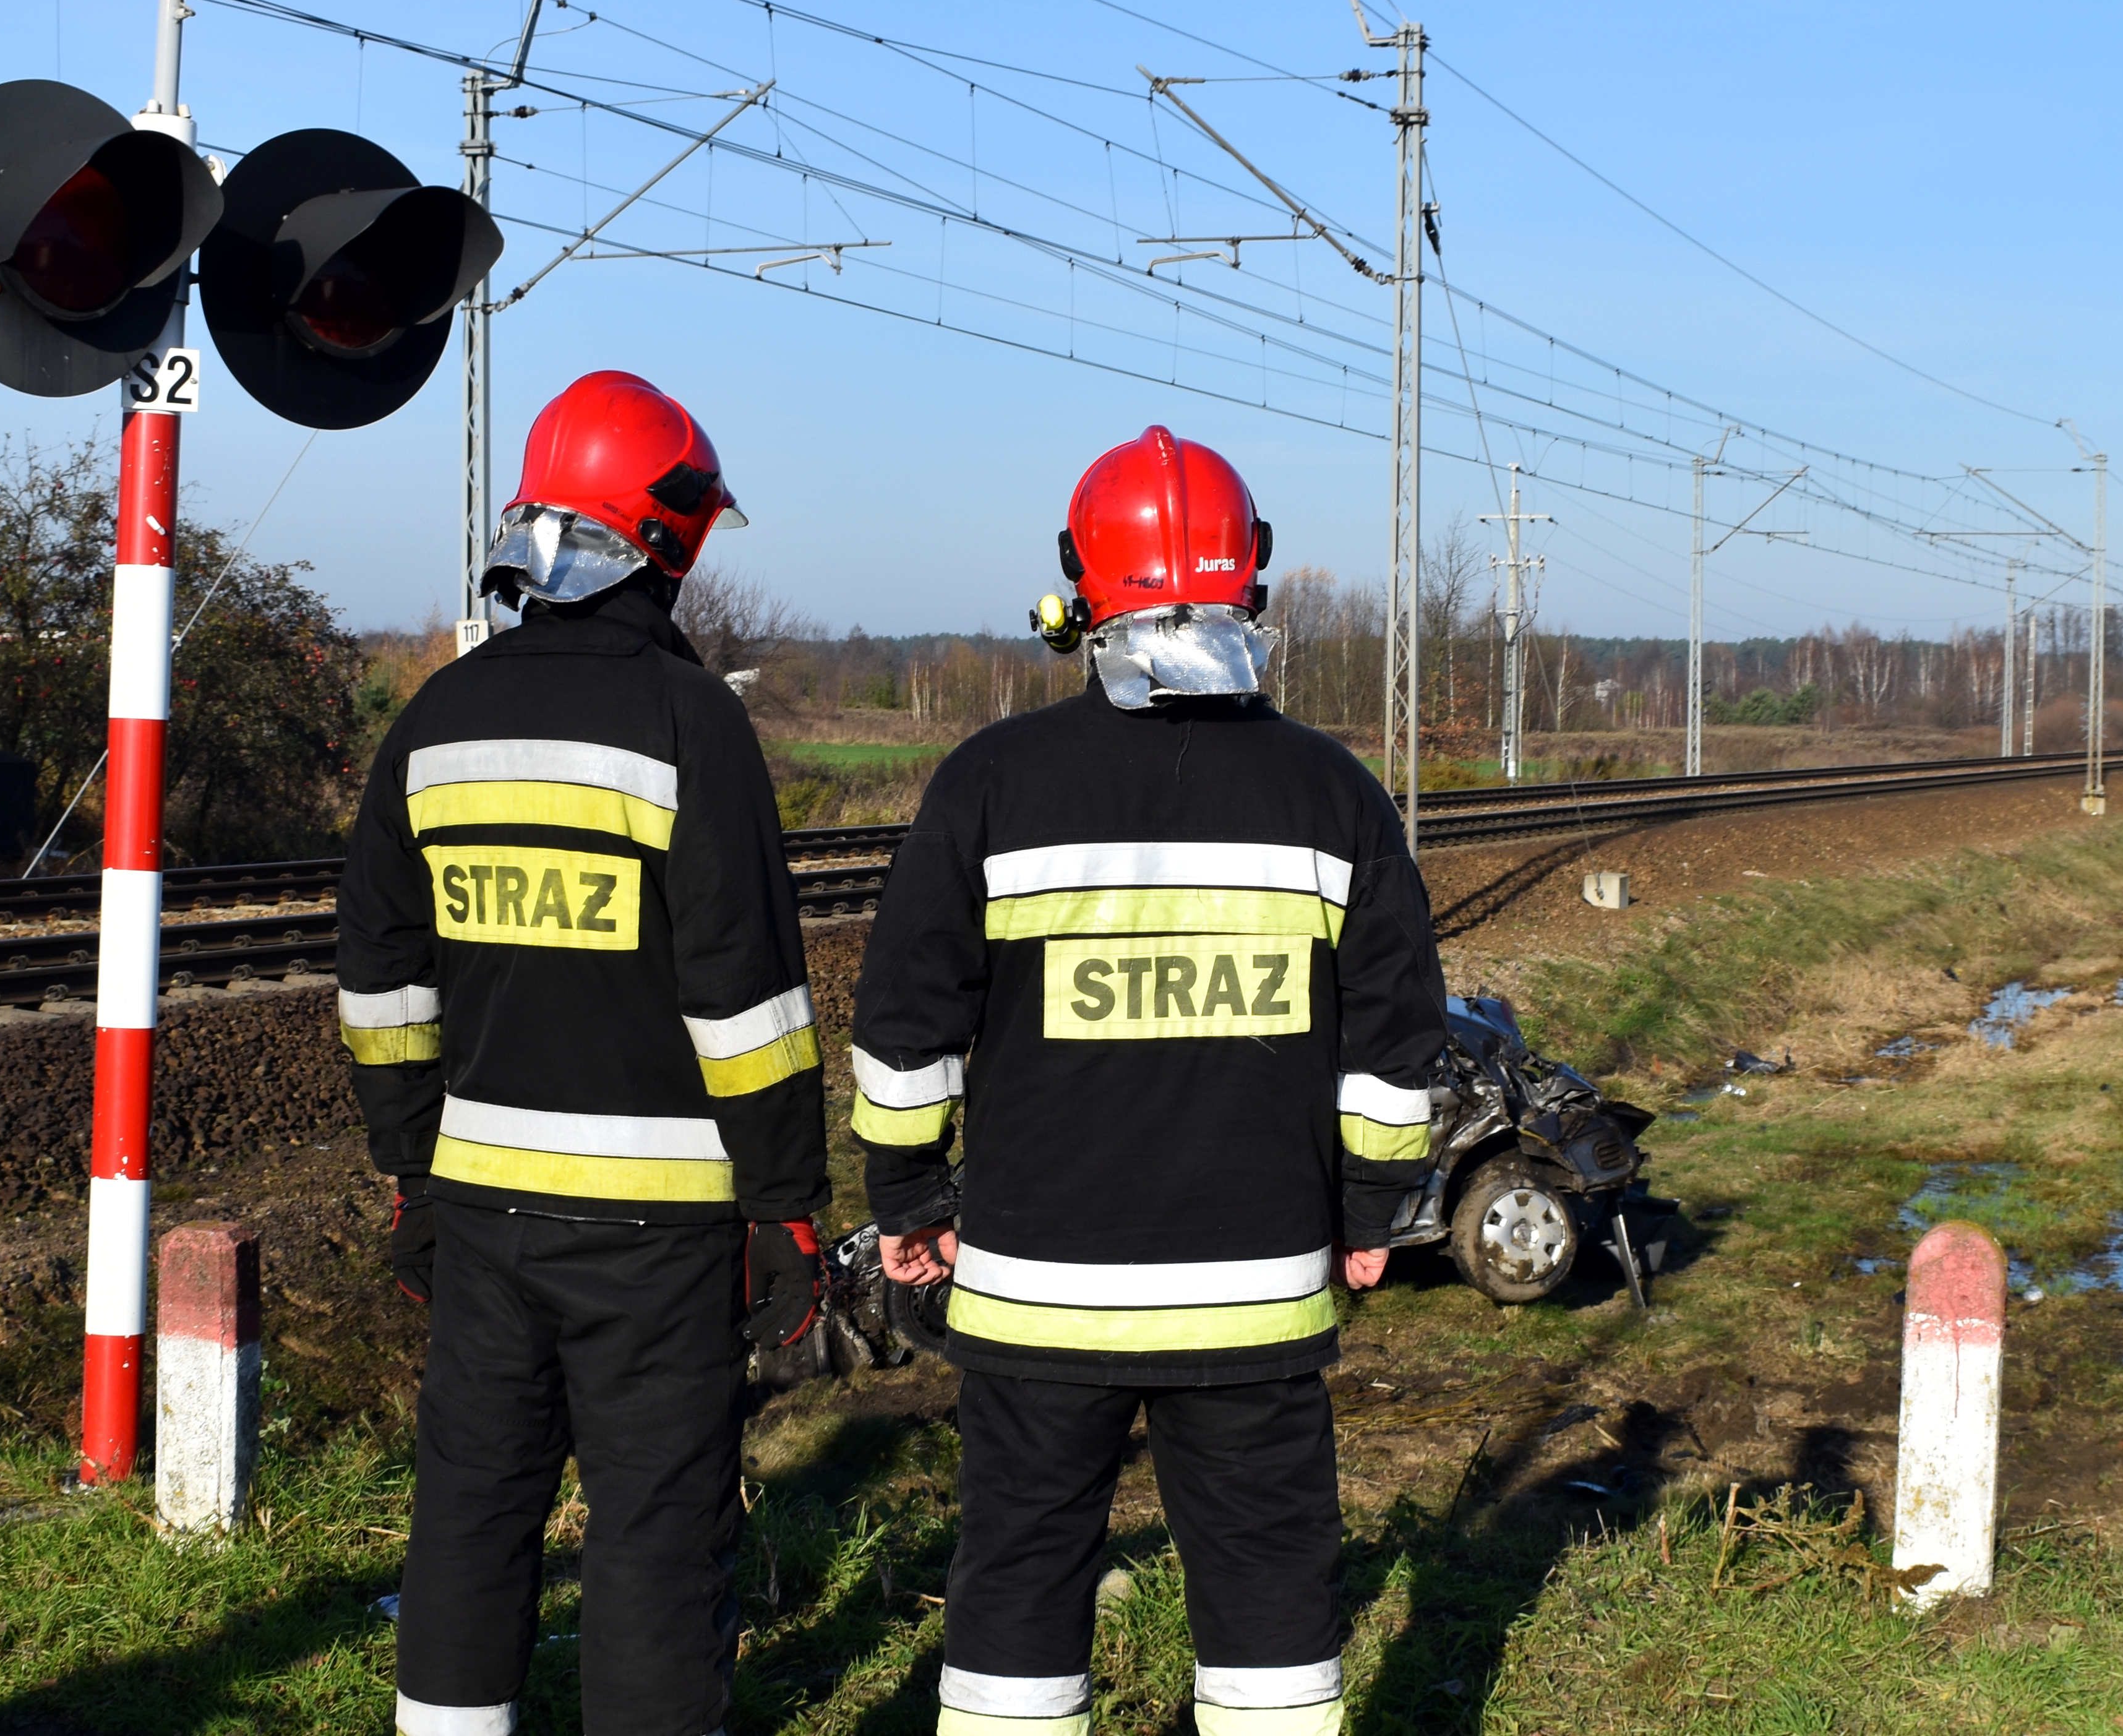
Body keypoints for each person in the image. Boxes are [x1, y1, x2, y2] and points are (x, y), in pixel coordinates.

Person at [847, 425, 1451, 1736]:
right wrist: (1369, 1215)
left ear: (1079, 587)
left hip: (1035, 1298)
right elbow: (1396, 1039)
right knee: (1272, 1590)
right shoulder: (1334, 796)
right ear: (1255, 583)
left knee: (1016, 1576)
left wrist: (906, 1196)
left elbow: (905, 1025)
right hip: (1255, 1299)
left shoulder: (991, 784)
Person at [337, 371, 829, 1736]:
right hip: (661, 1231)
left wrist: (410, 1168)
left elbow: (379, 980)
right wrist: (785, 1204)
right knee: (658, 1539)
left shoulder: (434, 723)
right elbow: (749, 1007)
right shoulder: (692, 726)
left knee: (471, 1516)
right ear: (664, 540)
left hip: (481, 1207)